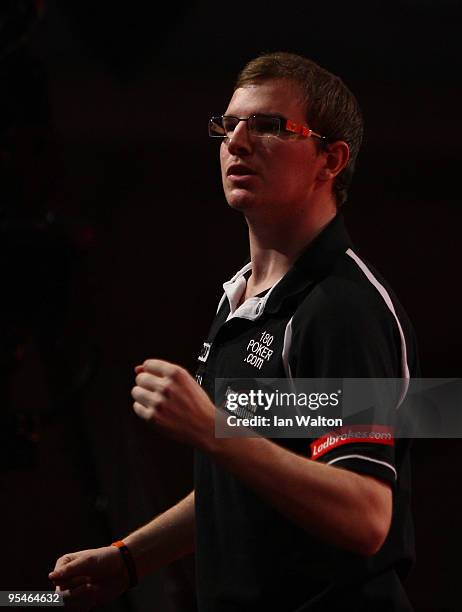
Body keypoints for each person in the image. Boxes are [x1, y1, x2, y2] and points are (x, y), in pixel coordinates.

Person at [49, 52, 418, 611]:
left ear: (330, 160)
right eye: (228, 125)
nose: (237, 143)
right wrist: (131, 559)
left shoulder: (342, 308)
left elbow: (367, 516)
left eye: (268, 127)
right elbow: (251, 474)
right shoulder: (242, 299)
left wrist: (213, 425)